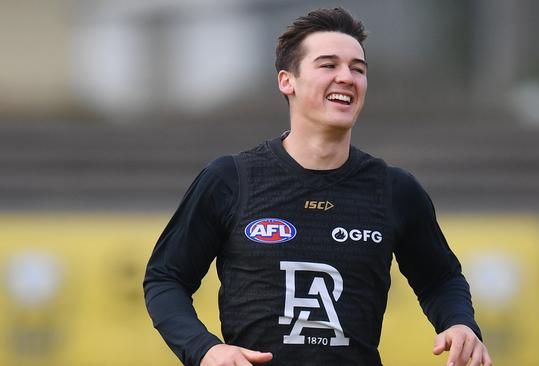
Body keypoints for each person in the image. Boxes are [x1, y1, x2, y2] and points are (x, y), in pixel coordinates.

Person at [144, 7, 492, 366]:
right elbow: (165, 278)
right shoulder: (230, 179)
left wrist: (460, 323)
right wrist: (206, 350)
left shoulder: (395, 190)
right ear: (287, 81)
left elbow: (440, 278)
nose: (347, 77)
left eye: (358, 69)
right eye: (329, 65)